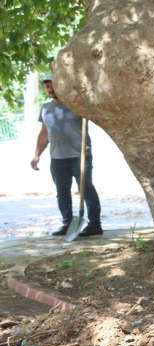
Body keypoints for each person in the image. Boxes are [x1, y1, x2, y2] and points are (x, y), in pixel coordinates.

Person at [30, 74, 103, 236]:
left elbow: (98, 115)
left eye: (52, 85)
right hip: (57, 158)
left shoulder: (77, 105)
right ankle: (67, 224)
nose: (50, 88)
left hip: (80, 155)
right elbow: (44, 134)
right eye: (47, 86)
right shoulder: (45, 109)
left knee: (86, 189)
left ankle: (95, 225)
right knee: (62, 192)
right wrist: (36, 155)